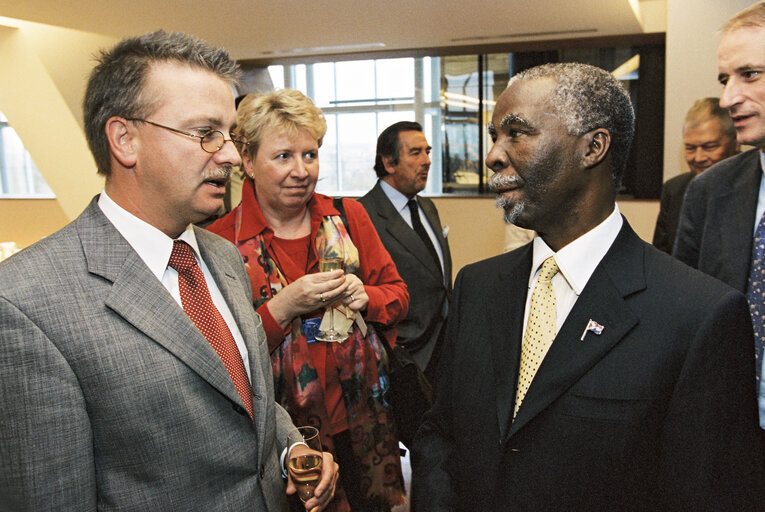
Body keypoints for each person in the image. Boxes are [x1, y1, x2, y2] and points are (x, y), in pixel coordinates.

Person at [0, 31, 339, 511]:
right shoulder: (25, 306)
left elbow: (247, 399)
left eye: (229, 135)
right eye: (205, 134)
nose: (226, 155)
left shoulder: (221, 257)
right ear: (125, 140)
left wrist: (290, 448)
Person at [411, 62, 764, 511]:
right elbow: (440, 433)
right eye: (493, 137)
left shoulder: (698, 316)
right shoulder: (477, 287)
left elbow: (707, 491)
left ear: (594, 147)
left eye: (517, 133)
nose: (495, 155)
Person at [207, 90, 409, 512]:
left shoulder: (349, 216)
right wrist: (284, 307)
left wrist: (366, 296)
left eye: (310, 155)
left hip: (366, 424)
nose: (301, 171)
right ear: (247, 162)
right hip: (287, 444)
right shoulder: (219, 241)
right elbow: (219, 355)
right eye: (283, 157)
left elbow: (398, 297)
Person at [675, 1, 765, 430]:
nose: (729, 97)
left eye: (750, 75)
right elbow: (684, 316)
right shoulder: (708, 192)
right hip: (726, 428)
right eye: (725, 79)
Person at [359, 121, 452, 385]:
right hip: (402, 356)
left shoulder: (427, 206)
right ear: (389, 163)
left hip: (444, 346)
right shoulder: (364, 215)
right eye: (415, 153)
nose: (427, 161)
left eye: (428, 151)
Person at [653, 97, 738, 253]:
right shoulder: (674, 191)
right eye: (690, 148)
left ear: (736, 143)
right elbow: (660, 257)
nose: (698, 158)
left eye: (709, 147)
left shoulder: (753, 189)